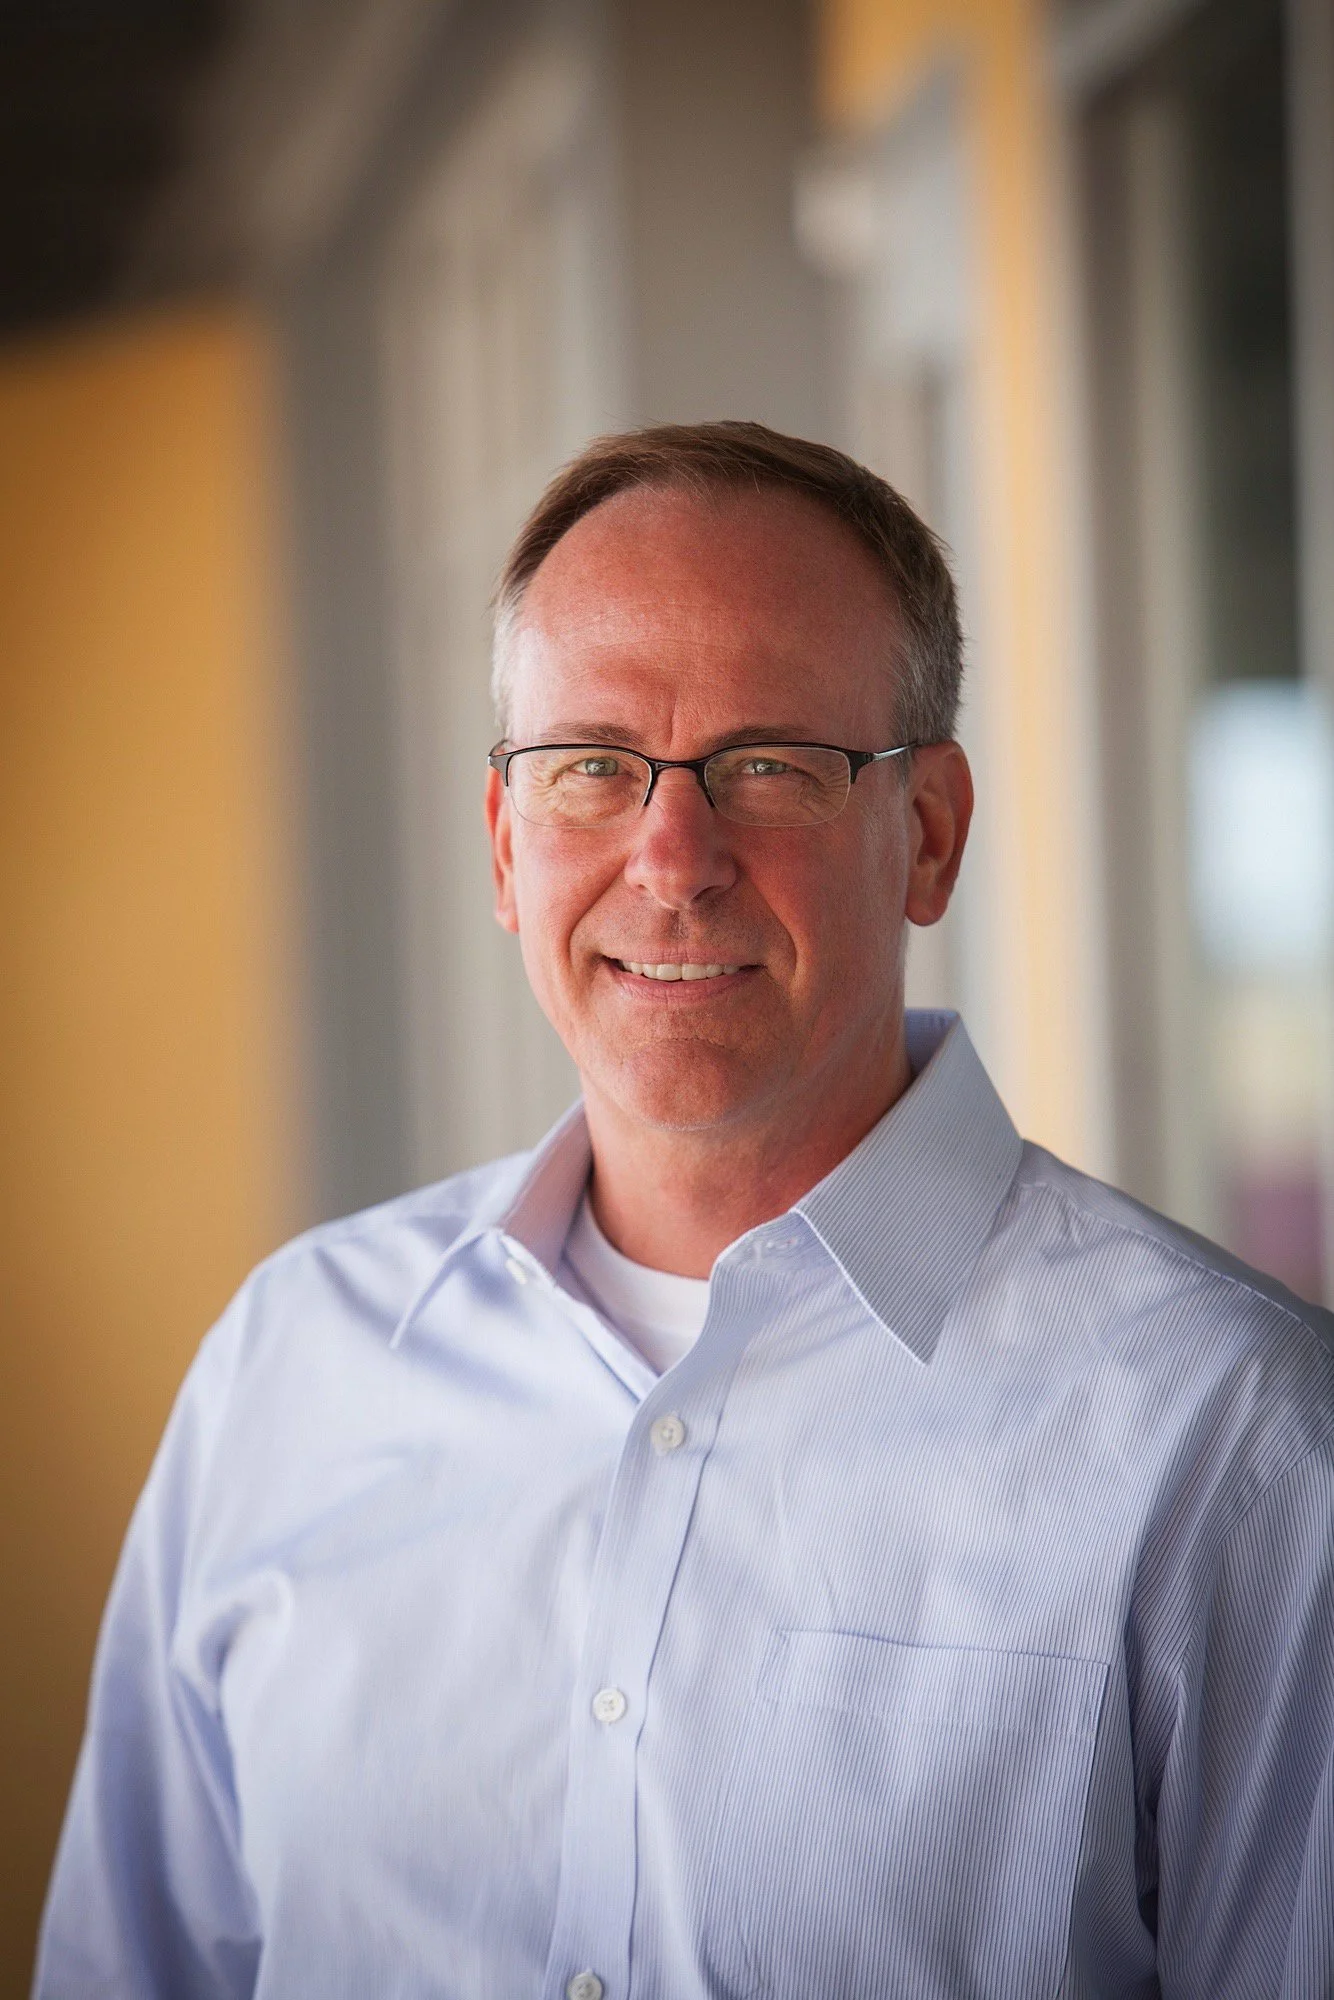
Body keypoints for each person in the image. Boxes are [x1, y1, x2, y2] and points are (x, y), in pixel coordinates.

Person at [37, 422, 1334, 2000]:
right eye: (591, 767)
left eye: (767, 766)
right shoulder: (287, 1369)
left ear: (924, 834)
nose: (671, 858)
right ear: (507, 844)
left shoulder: (1230, 1436)